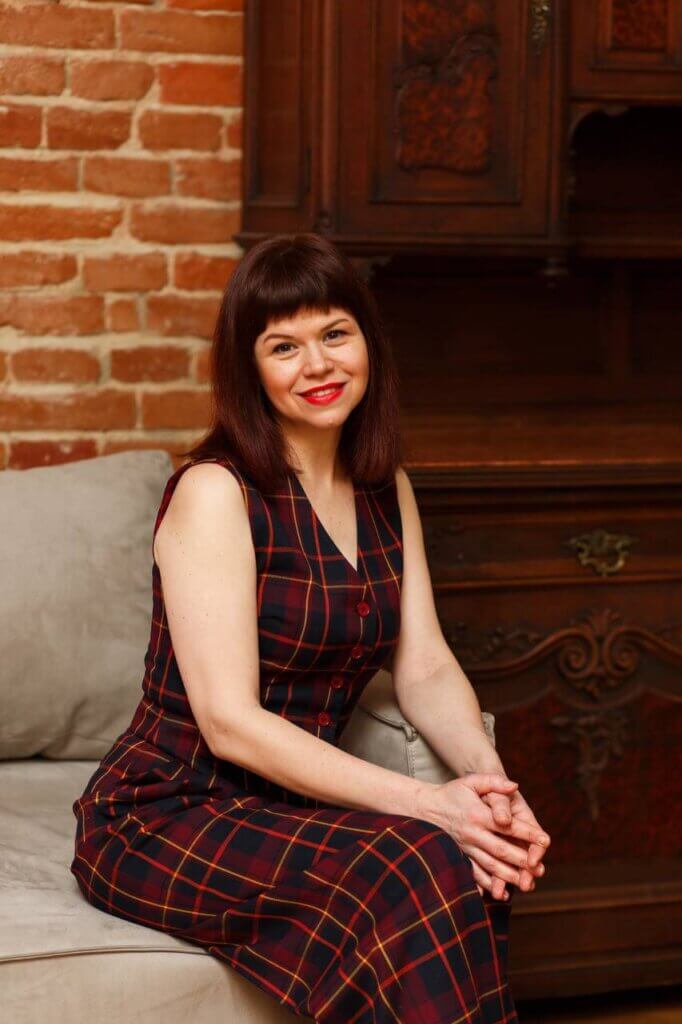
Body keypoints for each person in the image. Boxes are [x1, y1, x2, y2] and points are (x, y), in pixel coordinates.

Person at [71, 232, 550, 1023]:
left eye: (335, 334)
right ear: (250, 370)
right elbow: (229, 725)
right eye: (282, 346)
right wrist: (430, 806)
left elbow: (424, 665)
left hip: (290, 807)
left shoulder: (382, 484)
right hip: (166, 811)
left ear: (368, 341)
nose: (317, 366)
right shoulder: (216, 491)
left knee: (472, 860)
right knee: (418, 856)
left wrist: (489, 788)